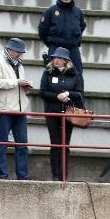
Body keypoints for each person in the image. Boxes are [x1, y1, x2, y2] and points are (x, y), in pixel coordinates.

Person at [0, 38, 32, 180]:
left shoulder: (19, 64)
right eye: (19, 52)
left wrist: (26, 87)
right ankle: (2, 173)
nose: (20, 55)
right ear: (11, 50)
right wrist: (16, 82)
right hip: (4, 108)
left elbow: (15, 84)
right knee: (2, 143)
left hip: (19, 109)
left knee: (22, 144)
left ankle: (23, 175)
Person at [39, 47, 84, 182]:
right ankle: (56, 175)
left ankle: (64, 174)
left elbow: (80, 94)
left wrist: (68, 94)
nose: (56, 60)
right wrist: (56, 96)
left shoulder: (74, 74)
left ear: (66, 61)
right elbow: (43, 92)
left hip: (68, 113)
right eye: (54, 58)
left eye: (59, 58)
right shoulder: (47, 73)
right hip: (52, 112)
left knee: (65, 143)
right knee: (55, 143)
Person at [37, 0, 86, 74]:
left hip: (72, 49)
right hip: (55, 48)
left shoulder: (78, 12)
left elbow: (82, 27)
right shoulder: (50, 11)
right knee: (53, 74)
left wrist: (74, 41)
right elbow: (42, 30)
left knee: (77, 74)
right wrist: (51, 44)